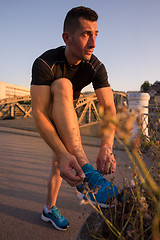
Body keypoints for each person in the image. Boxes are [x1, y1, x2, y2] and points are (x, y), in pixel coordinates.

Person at [30, 6, 120, 231]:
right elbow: (39, 113)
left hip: (67, 114)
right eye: (85, 34)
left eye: (96, 34)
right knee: (63, 83)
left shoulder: (95, 66)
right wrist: (62, 152)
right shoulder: (45, 63)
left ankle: (48, 209)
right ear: (66, 37)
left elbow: (109, 108)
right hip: (50, 114)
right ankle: (88, 175)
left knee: (59, 166)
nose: (93, 43)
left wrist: (106, 149)